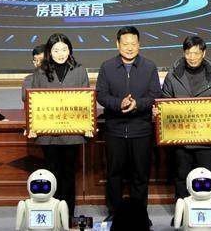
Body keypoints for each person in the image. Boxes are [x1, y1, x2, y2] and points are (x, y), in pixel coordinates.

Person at [96, 26, 162, 227]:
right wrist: (119, 103)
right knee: (114, 174)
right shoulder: (107, 67)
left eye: (133, 43)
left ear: (139, 44)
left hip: (141, 129)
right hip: (115, 130)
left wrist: (137, 104)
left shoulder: (149, 67)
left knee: (140, 175)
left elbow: (155, 95)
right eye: (125, 44)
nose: (130, 47)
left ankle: (140, 215)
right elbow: (101, 95)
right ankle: (114, 213)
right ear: (117, 44)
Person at [25, 33, 90, 222]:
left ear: (70, 50)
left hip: (72, 133)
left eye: (64, 49)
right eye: (56, 50)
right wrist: (33, 125)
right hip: (48, 134)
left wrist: (87, 125)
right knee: (52, 173)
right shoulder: (40, 72)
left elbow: (86, 101)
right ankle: (52, 214)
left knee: (69, 174)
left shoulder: (80, 71)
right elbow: (34, 102)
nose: (60, 53)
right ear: (49, 52)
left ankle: (68, 215)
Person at [161, 36, 211, 202]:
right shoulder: (173, 76)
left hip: (205, 138)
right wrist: (159, 111)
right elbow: (165, 101)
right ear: (184, 53)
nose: (192, 57)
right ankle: (182, 211)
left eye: (196, 53)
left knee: (206, 176)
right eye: (188, 53)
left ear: (203, 53)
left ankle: (210, 211)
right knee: (181, 175)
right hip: (180, 137)